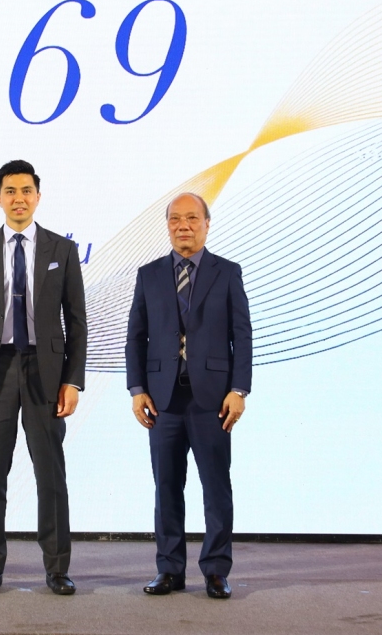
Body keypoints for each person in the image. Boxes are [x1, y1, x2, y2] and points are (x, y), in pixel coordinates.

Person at [0, 160, 87, 596]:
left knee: (51, 475)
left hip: (46, 373)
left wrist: (73, 381)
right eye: (10, 191)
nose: (19, 199)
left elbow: (77, 321)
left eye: (26, 190)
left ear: (38, 196)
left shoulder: (62, 250)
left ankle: (57, 568)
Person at [125, 192, 252, 600]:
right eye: (176, 219)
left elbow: (242, 336)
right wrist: (137, 389)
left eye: (192, 218)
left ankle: (215, 570)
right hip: (162, 401)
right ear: (167, 225)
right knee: (166, 487)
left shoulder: (227, 272)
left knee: (216, 487)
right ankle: (169, 569)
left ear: (207, 223)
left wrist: (238, 390)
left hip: (212, 400)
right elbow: (135, 337)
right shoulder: (148, 274)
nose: (184, 225)